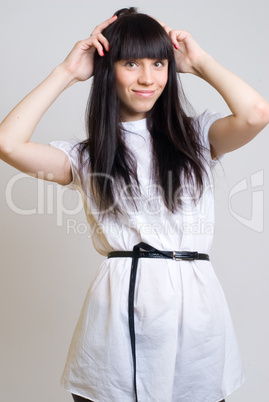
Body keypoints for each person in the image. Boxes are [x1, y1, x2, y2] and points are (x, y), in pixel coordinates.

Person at [0, 6, 269, 402]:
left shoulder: (196, 137)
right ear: (108, 70)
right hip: (118, 315)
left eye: (159, 63)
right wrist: (67, 72)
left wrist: (198, 61)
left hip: (196, 315)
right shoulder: (87, 157)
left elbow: (256, 113)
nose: (148, 78)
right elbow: (8, 144)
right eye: (131, 63)